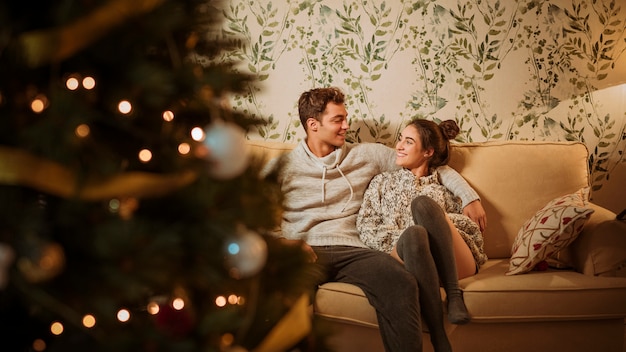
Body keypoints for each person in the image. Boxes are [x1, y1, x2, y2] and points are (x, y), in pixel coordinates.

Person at [262, 87, 485, 352]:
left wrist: (470, 197)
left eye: (346, 117)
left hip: (356, 251)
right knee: (283, 294)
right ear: (313, 124)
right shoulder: (281, 168)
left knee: (401, 282)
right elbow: (244, 218)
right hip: (305, 250)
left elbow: (428, 160)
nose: (346, 126)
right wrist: (283, 244)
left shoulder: (365, 155)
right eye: (338, 120)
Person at [357, 118, 488, 351]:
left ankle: (454, 294)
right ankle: (439, 335)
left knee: (423, 205)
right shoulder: (381, 183)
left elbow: (470, 230)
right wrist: (414, 239)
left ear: (428, 152)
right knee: (415, 234)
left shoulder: (444, 186)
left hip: (455, 262)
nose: (398, 146)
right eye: (400, 139)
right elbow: (367, 226)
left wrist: (440, 222)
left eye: (408, 142)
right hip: (406, 258)